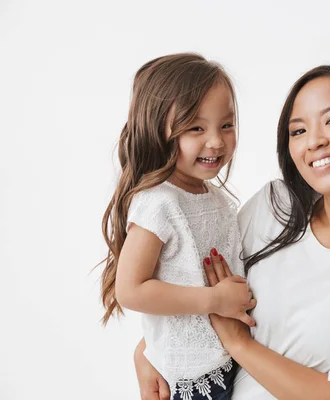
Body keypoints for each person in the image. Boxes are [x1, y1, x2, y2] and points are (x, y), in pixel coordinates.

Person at [135, 64, 330, 400]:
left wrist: (238, 343)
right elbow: (193, 280)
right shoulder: (275, 208)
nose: (314, 141)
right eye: (298, 131)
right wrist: (148, 349)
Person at [99, 53, 256, 400]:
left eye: (226, 125)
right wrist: (215, 299)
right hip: (189, 376)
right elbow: (131, 289)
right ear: (159, 130)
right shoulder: (159, 202)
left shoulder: (216, 199)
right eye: (196, 127)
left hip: (229, 361)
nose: (216, 141)